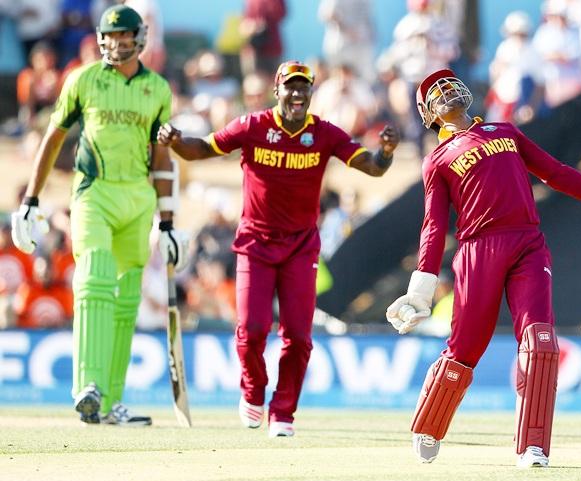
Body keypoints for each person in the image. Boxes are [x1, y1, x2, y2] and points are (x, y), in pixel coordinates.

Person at [385, 68, 581, 467]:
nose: (445, 90)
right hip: (477, 251)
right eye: (434, 91)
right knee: (464, 350)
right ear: (428, 115)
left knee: (540, 344)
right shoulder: (437, 161)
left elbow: (554, 172)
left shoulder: (505, 132)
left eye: (448, 82)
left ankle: (532, 445)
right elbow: (433, 226)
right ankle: (429, 424)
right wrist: (420, 292)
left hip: (527, 243)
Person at [158, 60, 399, 437]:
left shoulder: (324, 133)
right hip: (255, 241)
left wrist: (384, 152)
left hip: (301, 247)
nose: (298, 94)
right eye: (292, 86)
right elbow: (201, 150)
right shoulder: (253, 126)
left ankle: (283, 412)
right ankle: (253, 393)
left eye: (305, 87)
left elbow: (371, 167)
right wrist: (175, 142)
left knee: (299, 336)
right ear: (278, 90)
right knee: (252, 328)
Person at [10, 4, 188, 425]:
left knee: (126, 299)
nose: (115, 44)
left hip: (138, 199)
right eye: (108, 37)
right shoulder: (84, 80)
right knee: (94, 276)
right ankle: (87, 385)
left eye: (123, 36)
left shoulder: (158, 90)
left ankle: (109, 403)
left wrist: (167, 221)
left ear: (139, 39)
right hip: (93, 193)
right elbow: (52, 139)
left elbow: (161, 157)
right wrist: (30, 200)